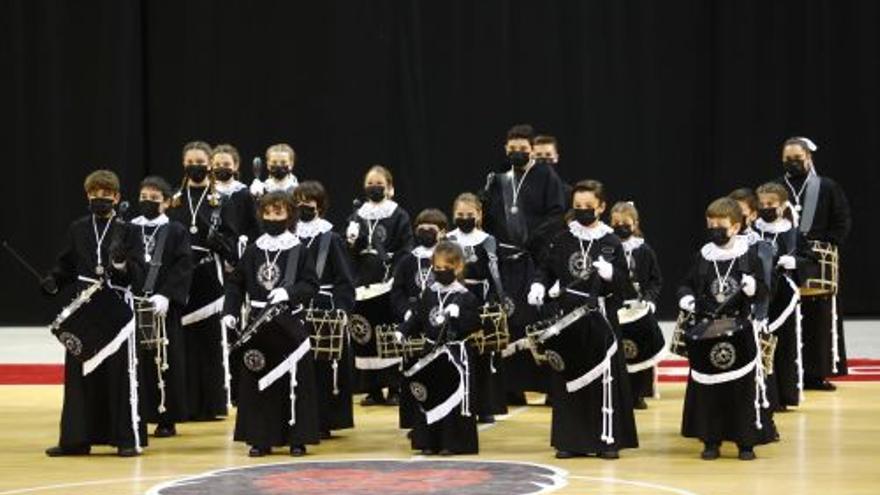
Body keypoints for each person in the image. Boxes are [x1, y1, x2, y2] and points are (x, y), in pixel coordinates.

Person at [529, 180, 639, 459]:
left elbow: (626, 287)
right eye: (577, 207)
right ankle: (570, 441)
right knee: (568, 376)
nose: (582, 211)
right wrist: (539, 285)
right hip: (568, 318)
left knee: (605, 379)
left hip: (599, 317)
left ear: (601, 207)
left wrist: (611, 275)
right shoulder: (562, 238)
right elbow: (545, 269)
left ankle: (607, 440)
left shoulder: (611, 241)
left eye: (588, 207)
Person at [41, 170, 147, 457]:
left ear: (117, 197)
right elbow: (66, 265)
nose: (100, 199)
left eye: (106, 194)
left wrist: (124, 265)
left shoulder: (130, 230)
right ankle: (75, 439)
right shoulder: (78, 228)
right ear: (88, 196)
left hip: (116, 306)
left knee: (119, 373)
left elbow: (141, 273)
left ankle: (125, 439)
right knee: (79, 372)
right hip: (86, 306)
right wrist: (54, 281)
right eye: (94, 194)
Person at [221, 191, 321, 457]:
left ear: (289, 215)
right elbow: (236, 283)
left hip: (289, 323)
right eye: (268, 213)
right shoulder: (254, 249)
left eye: (278, 213)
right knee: (258, 379)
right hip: (258, 323)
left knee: (294, 381)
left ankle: (296, 437)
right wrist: (229, 310)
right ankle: (260, 438)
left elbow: (311, 284)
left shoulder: (299, 249)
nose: (272, 217)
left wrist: (288, 293)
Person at [677, 197, 776, 461]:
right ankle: (711, 440)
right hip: (708, 328)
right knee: (709, 389)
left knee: (741, 389)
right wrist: (685, 297)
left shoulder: (750, 254)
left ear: (735, 226)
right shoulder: (703, 255)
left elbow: (766, 291)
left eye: (720, 226)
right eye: (711, 226)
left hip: (740, 329)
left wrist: (754, 288)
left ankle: (746, 442)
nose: (715, 231)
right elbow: (686, 284)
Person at [481, 124, 566, 404]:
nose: (517, 153)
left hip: (536, 258)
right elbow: (490, 218)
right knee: (511, 320)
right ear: (506, 149)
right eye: (512, 149)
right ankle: (512, 387)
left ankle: (551, 387)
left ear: (531, 150)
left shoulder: (546, 176)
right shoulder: (498, 179)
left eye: (523, 149)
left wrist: (533, 239)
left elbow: (556, 214)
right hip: (507, 262)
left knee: (542, 319)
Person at [773, 137, 852, 390]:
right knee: (786, 315)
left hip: (816, 260)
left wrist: (822, 244)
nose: (793, 163)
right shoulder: (775, 189)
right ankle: (785, 375)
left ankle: (817, 374)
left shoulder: (826, 187)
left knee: (819, 317)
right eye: (788, 159)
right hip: (786, 259)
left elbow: (841, 221)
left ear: (809, 158)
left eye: (797, 159)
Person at [166, 141, 233, 420]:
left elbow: (233, 242)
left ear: (209, 164)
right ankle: (186, 404)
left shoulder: (221, 200)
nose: (195, 166)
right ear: (184, 165)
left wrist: (222, 244)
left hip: (208, 276)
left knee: (210, 341)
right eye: (189, 161)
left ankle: (213, 404)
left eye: (200, 161)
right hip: (182, 277)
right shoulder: (175, 200)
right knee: (182, 343)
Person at [402, 241, 481, 455]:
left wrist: (460, 316)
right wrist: (403, 330)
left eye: (445, 268)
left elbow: (475, 324)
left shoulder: (466, 296)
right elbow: (418, 318)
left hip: (454, 355)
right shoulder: (428, 294)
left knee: (451, 397)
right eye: (436, 268)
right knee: (432, 396)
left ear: (457, 268)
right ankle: (429, 441)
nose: (440, 272)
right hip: (431, 354)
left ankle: (452, 442)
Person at [293, 181, 357, 439]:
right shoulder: (288, 236)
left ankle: (324, 419)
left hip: (324, 308)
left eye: (308, 201)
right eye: (297, 201)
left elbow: (345, 280)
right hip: (295, 307)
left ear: (319, 205)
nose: (302, 206)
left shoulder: (331, 238)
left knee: (323, 368)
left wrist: (341, 309)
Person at [131, 176, 194, 438]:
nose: (147, 202)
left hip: (163, 307)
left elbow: (183, 266)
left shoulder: (176, 231)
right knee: (136, 361)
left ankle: (166, 417)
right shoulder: (129, 228)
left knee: (165, 361)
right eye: (143, 197)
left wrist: (167, 295)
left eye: (154, 199)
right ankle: (137, 414)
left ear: (166, 202)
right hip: (133, 304)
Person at [346, 165, 414, 405]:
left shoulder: (399, 215)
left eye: (379, 184)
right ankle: (372, 388)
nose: (375, 188)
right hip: (363, 281)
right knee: (365, 332)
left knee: (388, 331)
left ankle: (395, 387)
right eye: (370, 184)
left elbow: (406, 247)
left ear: (389, 188)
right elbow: (349, 252)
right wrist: (352, 241)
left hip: (388, 280)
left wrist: (397, 274)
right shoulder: (357, 215)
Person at [755, 182, 817, 410]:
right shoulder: (752, 230)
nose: (765, 208)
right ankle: (763, 394)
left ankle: (782, 395)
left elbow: (811, 261)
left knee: (784, 345)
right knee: (760, 343)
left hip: (784, 297)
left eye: (770, 204)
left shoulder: (792, 233)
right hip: (759, 296)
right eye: (761, 204)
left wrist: (796, 262)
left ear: (781, 206)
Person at [446, 193, 508, 423]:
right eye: (460, 215)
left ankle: (484, 405)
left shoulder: (488, 240)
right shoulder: (448, 239)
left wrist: (495, 300)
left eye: (469, 215)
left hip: (480, 300)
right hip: (455, 299)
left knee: (483, 352)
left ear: (479, 215)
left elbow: (495, 274)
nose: (464, 218)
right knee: (458, 352)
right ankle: (460, 402)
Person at [391, 208, 448, 429]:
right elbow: (397, 291)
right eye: (421, 229)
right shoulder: (407, 260)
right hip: (413, 324)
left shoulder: (448, 257)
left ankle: (440, 418)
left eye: (431, 229)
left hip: (438, 322)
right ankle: (414, 421)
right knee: (413, 370)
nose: (425, 233)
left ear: (442, 232)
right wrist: (405, 310)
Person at [610, 201, 664, 410]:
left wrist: (650, 299)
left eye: (625, 223)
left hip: (639, 308)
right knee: (618, 352)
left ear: (635, 224)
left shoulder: (644, 250)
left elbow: (655, 279)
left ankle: (638, 394)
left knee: (641, 351)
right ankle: (618, 393)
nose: (620, 227)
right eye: (616, 223)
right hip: (615, 307)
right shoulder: (607, 247)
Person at [211, 144, 259, 246]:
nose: (222, 167)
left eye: (226, 164)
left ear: (236, 166)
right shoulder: (207, 192)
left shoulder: (244, 193)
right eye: (217, 165)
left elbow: (254, 224)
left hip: (239, 245)